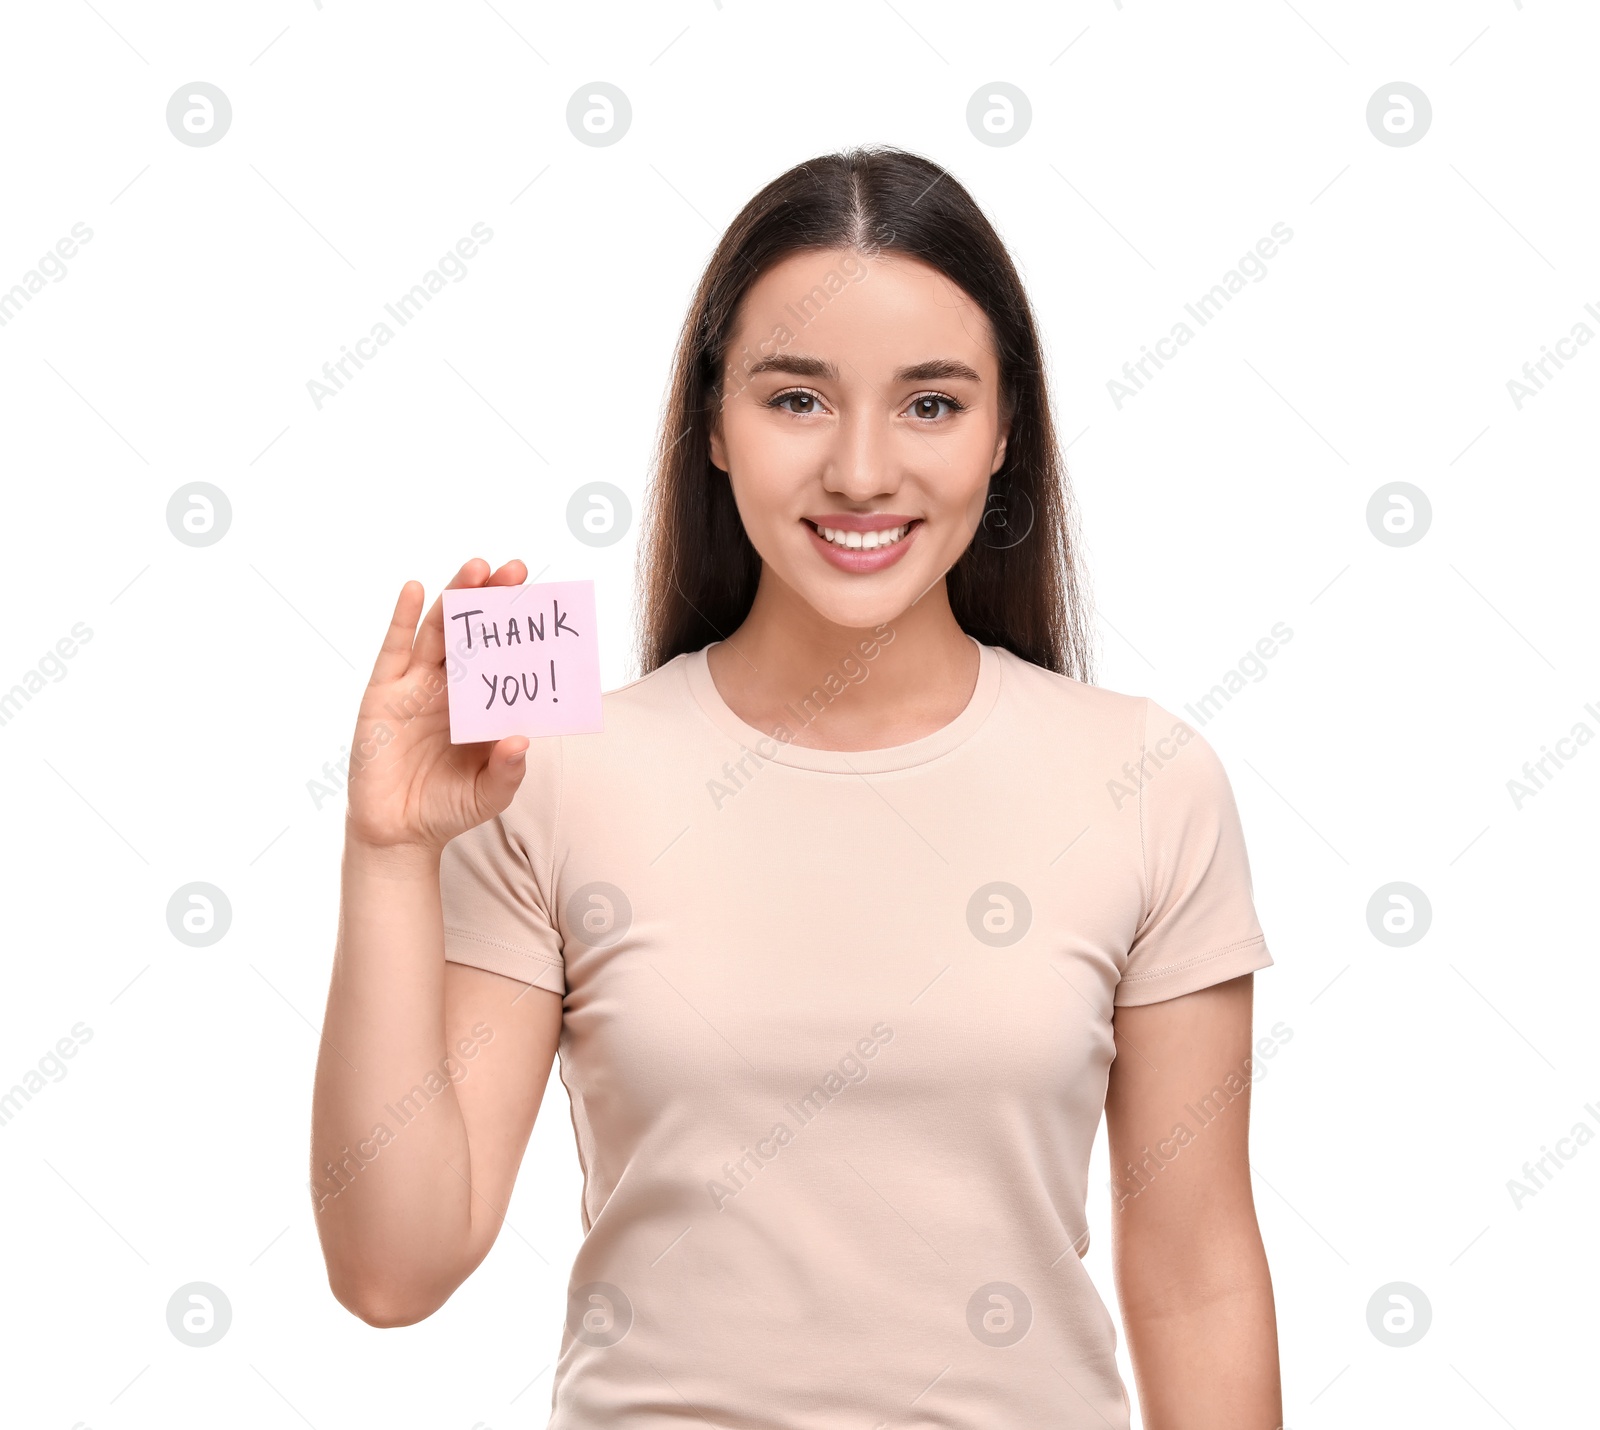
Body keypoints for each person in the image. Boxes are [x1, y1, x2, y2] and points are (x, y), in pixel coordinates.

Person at [310, 144, 1283, 1429]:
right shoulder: (546, 769)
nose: (864, 470)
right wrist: (387, 849)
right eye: (796, 399)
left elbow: (1195, 1277)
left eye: (931, 402)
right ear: (712, 422)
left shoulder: (1148, 778)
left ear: (1007, 433)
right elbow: (393, 1266)